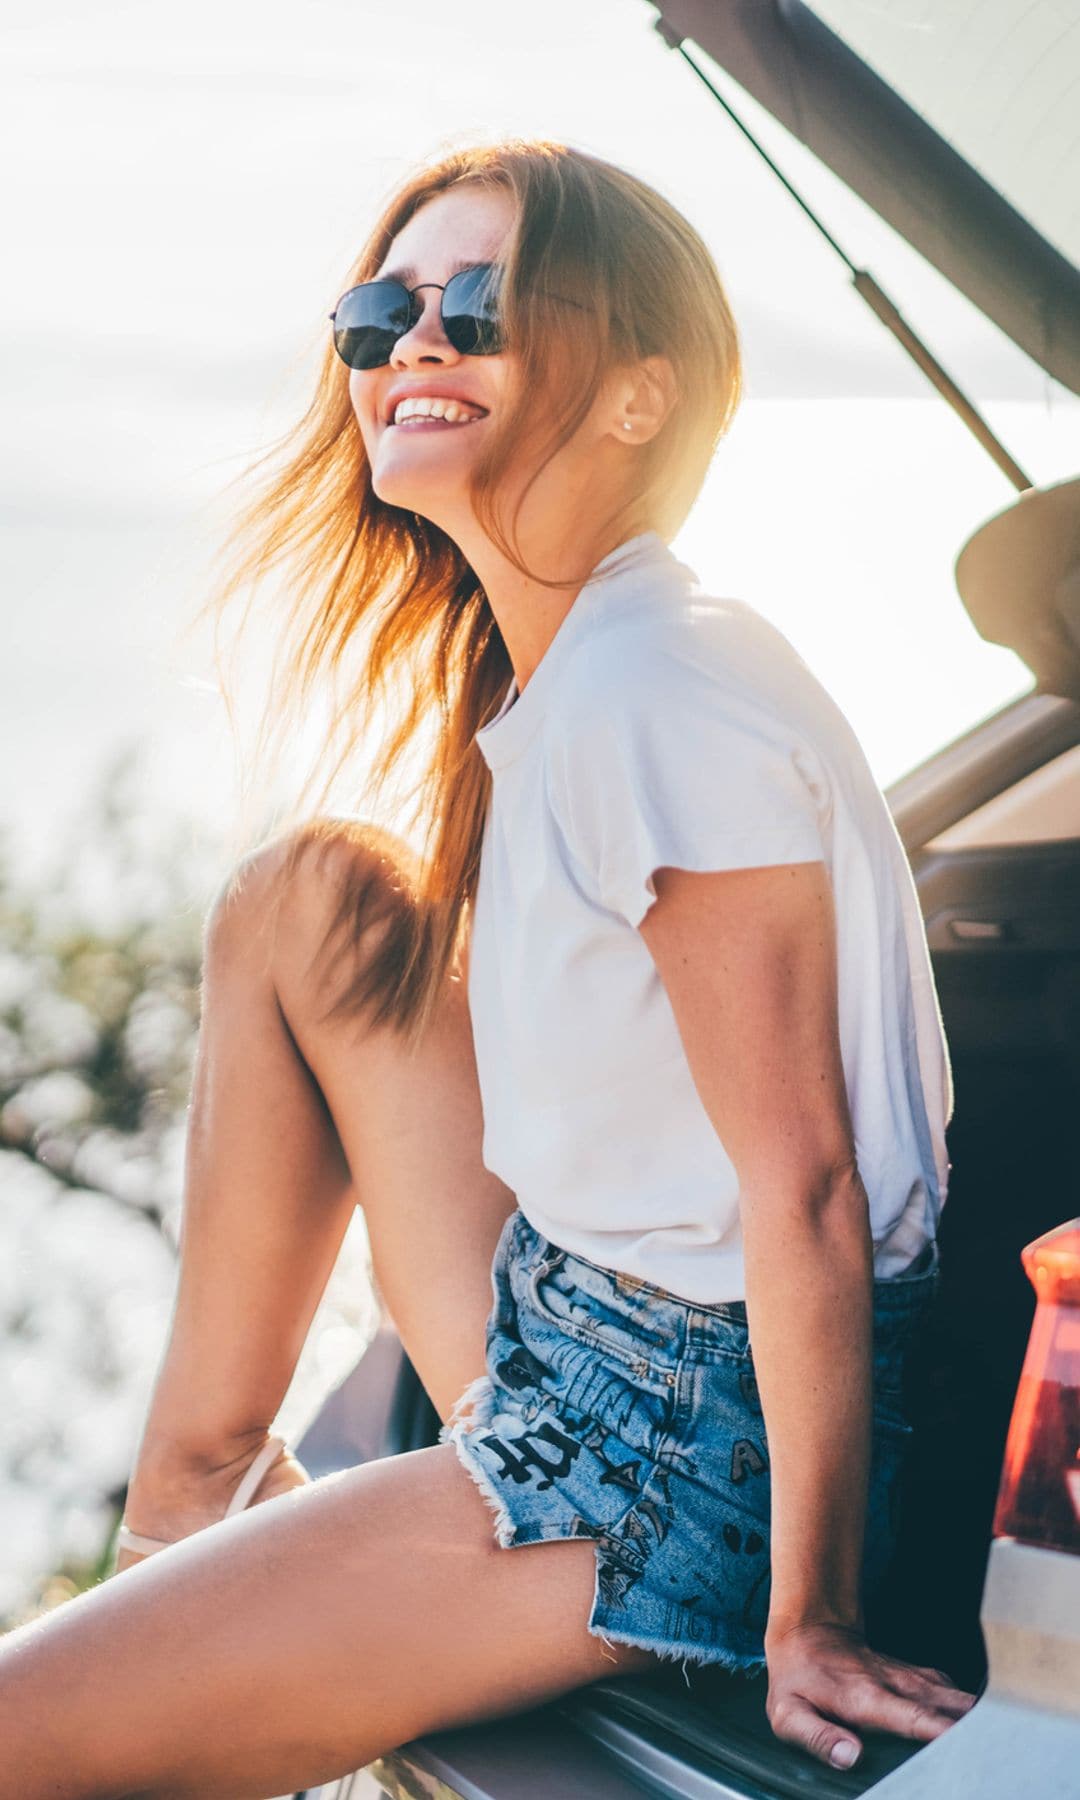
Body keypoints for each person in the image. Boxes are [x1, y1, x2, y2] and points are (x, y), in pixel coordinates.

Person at [0, 136, 976, 1796]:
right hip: (574, 1326)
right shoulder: (577, 672)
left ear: (637, 400)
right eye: (383, 311)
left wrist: (812, 1614)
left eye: (486, 305)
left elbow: (807, 1187)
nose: (419, 344)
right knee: (311, 896)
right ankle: (194, 1501)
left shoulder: (659, 692)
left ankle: (192, 1625)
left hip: (674, 1459)